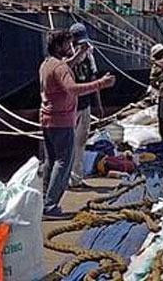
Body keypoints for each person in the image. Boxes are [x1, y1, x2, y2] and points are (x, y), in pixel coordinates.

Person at [39, 29, 115, 220]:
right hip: (61, 120)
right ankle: (50, 206)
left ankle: (43, 201)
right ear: (58, 46)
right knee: (64, 161)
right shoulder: (61, 68)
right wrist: (101, 84)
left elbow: (63, 67)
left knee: (50, 161)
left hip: (47, 119)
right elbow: (72, 89)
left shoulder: (47, 64)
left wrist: (80, 54)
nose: (70, 47)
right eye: (67, 44)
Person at [67, 22, 105, 190]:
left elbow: (93, 80)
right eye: (78, 43)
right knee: (67, 144)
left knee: (81, 142)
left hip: (85, 105)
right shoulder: (66, 58)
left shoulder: (89, 56)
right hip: (70, 107)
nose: (82, 46)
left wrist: (99, 105)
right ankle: (64, 178)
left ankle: (76, 177)